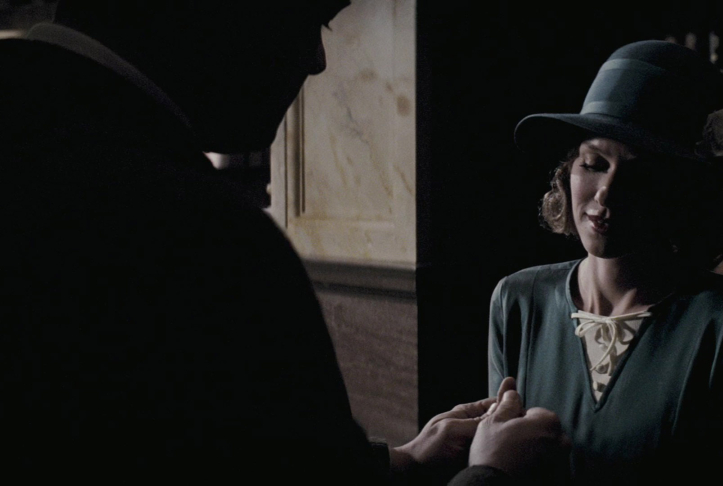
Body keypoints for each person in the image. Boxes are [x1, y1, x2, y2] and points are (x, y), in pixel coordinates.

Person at [0, 1, 567, 483]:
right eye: (313, 19)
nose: (318, 61)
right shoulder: (205, 242)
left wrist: (402, 461)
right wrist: (492, 473)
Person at [488, 40, 723, 485]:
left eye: (640, 174)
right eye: (593, 163)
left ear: (681, 193)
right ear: (568, 171)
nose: (607, 192)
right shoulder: (518, 301)